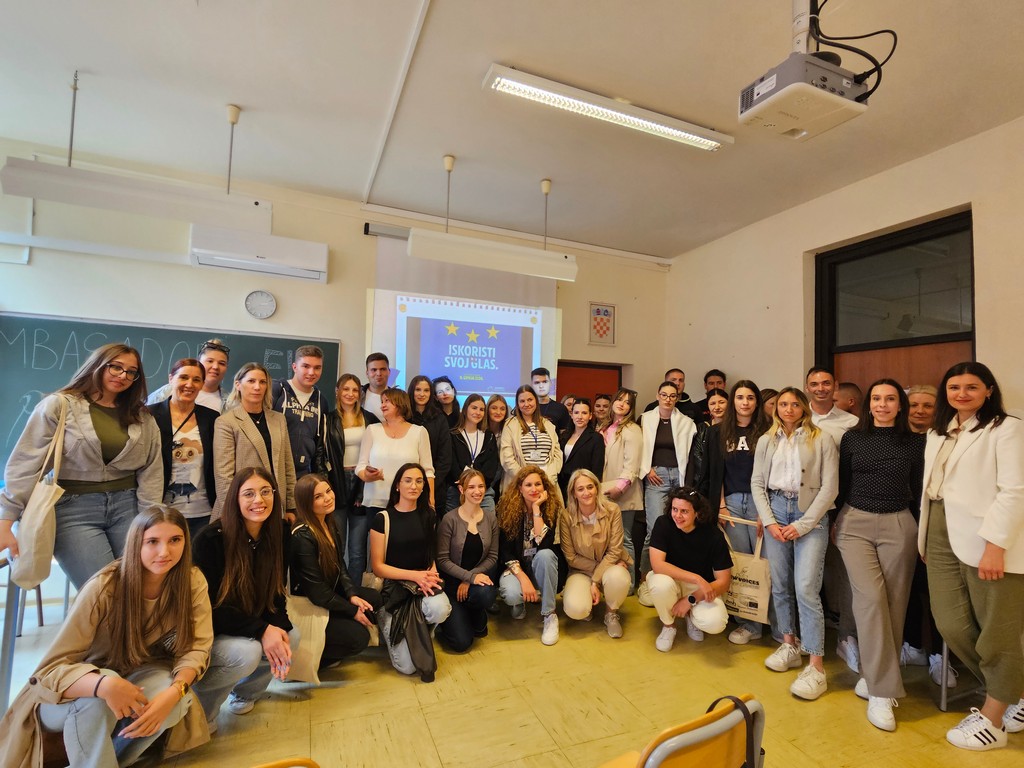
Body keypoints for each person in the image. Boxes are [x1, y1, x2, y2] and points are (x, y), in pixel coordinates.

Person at [0, 506, 211, 768]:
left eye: (175, 540)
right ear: (136, 543)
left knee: (175, 699)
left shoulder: (192, 580)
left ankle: (108, 762)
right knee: (99, 699)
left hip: (131, 676)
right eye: (152, 541)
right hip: (69, 694)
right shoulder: (103, 587)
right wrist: (104, 685)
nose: (164, 552)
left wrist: (175, 691)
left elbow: (197, 648)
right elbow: (49, 672)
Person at [921, 362, 1024, 750]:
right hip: (939, 530)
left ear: (988, 390)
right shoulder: (938, 432)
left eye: (971, 387)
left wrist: (996, 545)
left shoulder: (1006, 428)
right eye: (954, 387)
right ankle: (1015, 691)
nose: (961, 394)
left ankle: (993, 719)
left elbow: (1015, 491)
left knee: (997, 629)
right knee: (950, 623)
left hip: (988, 536)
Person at [1, 342, 162, 589]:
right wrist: (6, 517)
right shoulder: (60, 405)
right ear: (97, 365)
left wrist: (150, 519)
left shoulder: (141, 415)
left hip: (128, 507)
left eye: (131, 372)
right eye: (116, 367)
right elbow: (27, 463)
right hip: (73, 509)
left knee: (137, 585)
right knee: (102, 590)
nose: (123, 376)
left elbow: (151, 470)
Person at [835, 379, 924, 733]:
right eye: (876, 398)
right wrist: (835, 520)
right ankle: (882, 692)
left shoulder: (916, 443)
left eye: (889, 399)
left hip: (899, 524)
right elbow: (842, 483)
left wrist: (922, 533)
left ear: (900, 405)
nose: (882, 404)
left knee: (894, 603)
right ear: (867, 404)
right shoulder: (852, 439)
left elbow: (919, 491)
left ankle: (872, 677)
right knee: (870, 599)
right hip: (854, 523)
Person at [751, 387, 839, 701]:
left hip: (810, 515)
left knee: (805, 587)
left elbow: (830, 487)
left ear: (804, 407)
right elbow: (757, 483)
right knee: (780, 584)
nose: (788, 409)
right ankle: (789, 644)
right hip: (776, 510)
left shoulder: (822, 439)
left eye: (794, 404)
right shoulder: (766, 440)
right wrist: (770, 521)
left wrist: (803, 524)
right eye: (783, 404)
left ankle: (816, 666)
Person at [193, 468, 296, 724]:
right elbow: (209, 610)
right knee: (248, 652)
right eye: (248, 494)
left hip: (247, 622)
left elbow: (276, 591)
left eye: (265, 492)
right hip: (211, 630)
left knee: (290, 636)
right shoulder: (210, 540)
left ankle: (245, 694)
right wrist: (262, 630)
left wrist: (277, 629)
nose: (259, 500)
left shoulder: (280, 532)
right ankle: (200, 714)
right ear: (235, 499)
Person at [700, 380, 769, 645]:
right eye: (740, 397)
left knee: (765, 563)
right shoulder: (718, 432)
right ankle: (749, 623)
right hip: (730, 503)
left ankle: (771, 621)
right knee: (741, 563)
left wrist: (766, 511)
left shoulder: (767, 431)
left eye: (750, 397)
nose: (745, 403)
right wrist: (720, 505)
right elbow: (713, 472)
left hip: (760, 504)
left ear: (756, 402)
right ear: (733, 401)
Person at [289, 474, 382, 669]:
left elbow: (340, 567)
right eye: (318, 496)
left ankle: (335, 636)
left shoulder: (329, 522)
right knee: (359, 637)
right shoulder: (302, 536)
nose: (328, 498)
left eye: (328, 491)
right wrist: (352, 610)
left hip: (329, 593)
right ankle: (308, 660)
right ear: (306, 503)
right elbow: (317, 594)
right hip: (309, 604)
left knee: (373, 599)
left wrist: (352, 594)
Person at [369, 463, 452, 681]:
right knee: (407, 668)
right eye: (407, 480)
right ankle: (391, 625)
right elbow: (378, 566)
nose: (413, 486)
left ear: (424, 486)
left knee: (441, 608)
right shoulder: (383, 519)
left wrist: (432, 577)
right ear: (397, 485)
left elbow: (430, 555)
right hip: (393, 590)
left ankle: (419, 633)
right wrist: (414, 576)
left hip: (421, 583)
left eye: (418, 481)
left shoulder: (429, 515)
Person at [806, 366, 861, 673]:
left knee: (843, 573)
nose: (820, 388)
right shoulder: (797, 418)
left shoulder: (850, 424)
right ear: (807, 387)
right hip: (800, 507)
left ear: (835, 386)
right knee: (809, 574)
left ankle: (846, 636)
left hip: (838, 505)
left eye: (826, 383)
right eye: (814, 383)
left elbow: (852, 471)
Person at [355, 388, 435, 583]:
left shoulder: (419, 432)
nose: (382, 405)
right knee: (377, 558)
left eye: (387, 401)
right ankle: (378, 596)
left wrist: (430, 500)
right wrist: (368, 475)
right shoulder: (372, 430)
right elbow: (360, 467)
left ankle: (409, 591)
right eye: (382, 401)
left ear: (400, 403)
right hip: (377, 502)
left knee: (407, 552)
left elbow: (428, 471)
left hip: (409, 505)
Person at [646, 487, 732, 652]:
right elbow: (658, 565)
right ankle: (668, 625)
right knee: (659, 584)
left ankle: (691, 616)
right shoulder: (663, 523)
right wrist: (696, 578)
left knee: (716, 622)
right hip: (671, 581)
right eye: (674, 509)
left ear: (697, 513)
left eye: (684, 511)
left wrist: (691, 599)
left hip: (698, 589)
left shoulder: (713, 535)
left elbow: (724, 581)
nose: (677, 515)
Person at [901, 383, 947, 684]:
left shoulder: (946, 440)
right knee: (906, 589)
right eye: (914, 405)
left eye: (927, 405)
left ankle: (942, 658)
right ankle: (913, 645)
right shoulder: (897, 439)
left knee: (937, 593)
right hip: (901, 522)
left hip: (937, 525)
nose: (919, 411)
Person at [212, 363, 296, 522]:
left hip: (275, 505)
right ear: (238, 385)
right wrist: (233, 511)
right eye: (251, 381)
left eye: (262, 382)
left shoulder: (278, 419)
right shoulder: (226, 422)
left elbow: (288, 465)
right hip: (244, 508)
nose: (257, 387)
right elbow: (223, 475)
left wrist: (291, 506)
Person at [638, 381, 697, 598]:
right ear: (657, 395)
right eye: (664, 395)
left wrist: (687, 485)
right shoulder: (645, 419)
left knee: (680, 529)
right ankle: (645, 580)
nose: (668, 399)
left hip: (679, 478)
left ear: (677, 398)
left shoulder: (687, 423)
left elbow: (691, 455)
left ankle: (675, 579)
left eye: (673, 396)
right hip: (657, 478)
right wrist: (646, 469)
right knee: (655, 529)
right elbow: (638, 448)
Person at [150, 358, 219, 539]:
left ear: (202, 384)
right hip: (162, 512)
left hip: (203, 512)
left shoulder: (212, 418)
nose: (189, 384)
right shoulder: (149, 415)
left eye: (196, 380)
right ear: (171, 378)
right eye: (183, 377)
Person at [559, 469, 632, 638]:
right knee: (576, 610)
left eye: (590, 487)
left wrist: (595, 580)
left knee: (618, 576)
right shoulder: (566, 516)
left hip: (611, 566)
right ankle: (587, 604)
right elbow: (571, 557)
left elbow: (615, 550)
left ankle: (611, 613)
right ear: (573, 493)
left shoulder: (613, 510)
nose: (586, 492)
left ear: (597, 488)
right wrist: (598, 574)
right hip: (582, 570)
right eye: (580, 489)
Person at [497, 465, 562, 645]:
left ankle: (549, 614)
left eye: (538, 484)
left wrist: (536, 509)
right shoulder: (507, 509)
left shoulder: (551, 508)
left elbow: (544, 545)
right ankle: (519, 602)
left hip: (539, 566)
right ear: (520, 488)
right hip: (515, 567)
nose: (534, 489)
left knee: (546, 555)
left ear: (544, 487)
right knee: (512, 594)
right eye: (528, 485)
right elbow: (505, 551)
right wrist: (523, 578)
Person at [324, 374, 380, 583]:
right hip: (336, 482)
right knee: (336, 547)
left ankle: (355, 592)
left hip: (362, 484)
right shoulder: (328, 419)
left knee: (357, 550)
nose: (350, 394)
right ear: (337, 391)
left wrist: (363, 488)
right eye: (345, 389)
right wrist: (326, 484)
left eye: (355, 390)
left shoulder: (370, 419)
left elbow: (377, 454)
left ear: (360, 394)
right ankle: (338, 590)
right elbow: (321, 454)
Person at [436, 469, 498, 651]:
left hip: (474, 584)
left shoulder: (490, 518)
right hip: (451, 585)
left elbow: (493, 556)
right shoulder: (449, 519)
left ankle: (474, 610)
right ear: (461, 490)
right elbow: (442, 560)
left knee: (487, 593)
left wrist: (470, 579)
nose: (477, 491)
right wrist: (468, 577)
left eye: (481, 486)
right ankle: (457, 616)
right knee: (461, 643)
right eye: (471, 487)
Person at [599, 388, 643, 571]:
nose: (622, 404)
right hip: (604, 489)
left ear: (631, 408)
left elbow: (632, 465)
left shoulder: (632, 429)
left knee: (624, 538)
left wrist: (620, 488)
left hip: (623, 492)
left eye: (627, 402)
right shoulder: (605, 427)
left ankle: (630, 582)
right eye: (619, 399)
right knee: (607, 538)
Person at [272, 345, 327, 479]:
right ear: (295, 367)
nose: (311, 372)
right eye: (306, 366)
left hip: (303, 473)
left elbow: (319, 444)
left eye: (317, 368)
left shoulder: (321, 401)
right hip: (274, 470)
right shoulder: (277, 390)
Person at [499, 385, 563, 495]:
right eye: (522, 401)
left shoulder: (548, 424)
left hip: (548, 482)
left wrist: (548, 478)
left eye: (530, 400)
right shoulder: (510, 425)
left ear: (536, 401)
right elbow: (507, 458)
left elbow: (557, 454)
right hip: (520, 483)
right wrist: (526, 479)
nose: (526, 404)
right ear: (517, 404)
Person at [147, 338, 231, 413]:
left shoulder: (230, 403)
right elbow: (143, 416)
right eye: (210, 361)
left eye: (222, 363)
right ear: (199, 362)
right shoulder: (167, 392)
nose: (215, 367)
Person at [448, 394, 500, 512]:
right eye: (474, 408)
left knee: (488, 521)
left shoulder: (489, 436)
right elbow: (451, 463)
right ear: (465, 409)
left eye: (482, 409)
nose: (478, 412)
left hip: (483, 492)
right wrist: (465, 483)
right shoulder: (453, 435)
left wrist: (478, 485)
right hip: (457, 491)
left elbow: (492, 465)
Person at [409, 374, 453, 513]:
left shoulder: (439, 418)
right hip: (407, 487)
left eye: (426, 390)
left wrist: (429, 484)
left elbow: (445, 458)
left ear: (431, 394)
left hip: (435, 487)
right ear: (411, 391)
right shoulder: (405, 417)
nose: (422, 394)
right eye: (418, 390)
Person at [557, 398, 606, 503]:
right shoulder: (564, 435)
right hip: (562, 486)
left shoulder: (596, 438)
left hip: (583, 488)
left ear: (590, 416)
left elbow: (597, 469)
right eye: (576, 413)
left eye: (584, 413)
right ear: (571, 415)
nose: (580, 417)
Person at [531, 367, 571, 434]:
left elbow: (564, 435)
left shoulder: (560, 409)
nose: (541, 386)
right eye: (537, 383)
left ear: (550, 383)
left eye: (545, 382)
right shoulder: (526, 407)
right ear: (532, 385)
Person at [361, 353, 391, 421]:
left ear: (389, 372)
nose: (378, 374)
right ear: (367, 373)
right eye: (374, 370)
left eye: (383, 369)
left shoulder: (399, 398)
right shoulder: (358, 396)